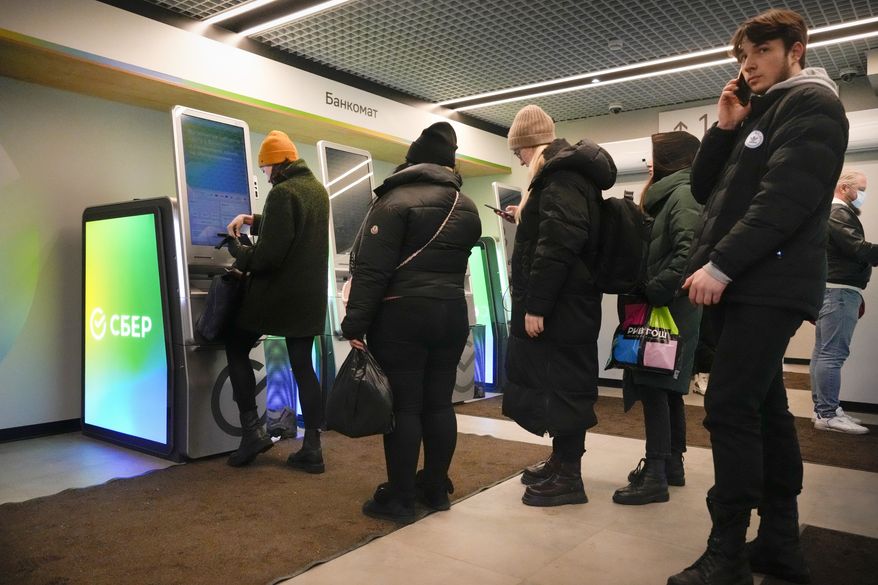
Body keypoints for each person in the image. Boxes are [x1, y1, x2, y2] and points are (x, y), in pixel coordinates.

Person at [669, 9, 848, 585]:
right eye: (743, 56)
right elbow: (705, 190)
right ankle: (777, 543)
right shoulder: (763, 113)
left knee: (728, 408)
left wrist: (720, 265)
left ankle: (728, 552)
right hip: (751, 284)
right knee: (765, 411)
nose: (749, 65)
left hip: (765, 284)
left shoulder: (812, 105)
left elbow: (785, 199)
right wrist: (725, 127)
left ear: (796, 49)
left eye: (762, 52)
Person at [341, 122, 482, 523]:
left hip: (401, 315)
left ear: (413, 160)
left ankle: (400, 498)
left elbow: (372, 271)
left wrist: (355, 324)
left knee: (404, 408)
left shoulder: (394, 202)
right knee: (439, 403)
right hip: (452, 313)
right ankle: (435, 489)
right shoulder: (466, 206)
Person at [499, 104, 616, 507]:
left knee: (564, 386)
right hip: (570, 301)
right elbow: (553, 231)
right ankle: (561, 461)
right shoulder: (562, 177)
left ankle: (570, 477)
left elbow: (558, 245)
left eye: (519, 149)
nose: (518, 157)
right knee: (559, 382)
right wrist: (523, 216)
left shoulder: (561, 175)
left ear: (533, 144)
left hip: (562, 304)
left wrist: (537, 305)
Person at [223, 130, 330, 472]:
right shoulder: (316, 190)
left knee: (236, 345)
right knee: (303, 366)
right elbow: (293, 227)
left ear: (278, 165)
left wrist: (236, 248)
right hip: (309, 298)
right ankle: (313, 446)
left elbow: (268, 257)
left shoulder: (283, 193)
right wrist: (253, 220)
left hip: (278, 297)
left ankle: (252, 432)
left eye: (265, 169)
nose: (265, 176)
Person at [613, 131, 702, 506]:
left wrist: (656, 288)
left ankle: (655, 474)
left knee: (654, 388)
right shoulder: (670, 192)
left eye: (653, 155)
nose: (649, 162)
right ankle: (671, 465)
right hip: (666, 305)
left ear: (669, 158)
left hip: (666, 305)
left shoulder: (681, 195)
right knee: (667, 387)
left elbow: (690, 248)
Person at [811, 170, 876, 434]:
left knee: (823, 352)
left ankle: (826, 409)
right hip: (839, 292)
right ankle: (827, 413)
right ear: (843, 187)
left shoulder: (835, 213)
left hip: (834, 290)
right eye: (859, 189)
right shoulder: (838, 213)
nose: (862, 195)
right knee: (832, 354)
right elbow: (859, 249)